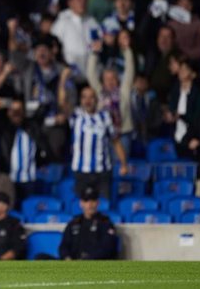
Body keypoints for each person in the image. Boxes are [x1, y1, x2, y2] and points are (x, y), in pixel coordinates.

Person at [59, 70, 128, 199]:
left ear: (96, 100)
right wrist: (63, 80)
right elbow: (62, 102)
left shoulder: (105, 117)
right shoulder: (76, 116)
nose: (88, 100)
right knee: (83, 208)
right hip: (81, 171)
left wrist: (123, 164)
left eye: (91, 97)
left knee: (103, 206)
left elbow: (116, 141)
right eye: (84, 97)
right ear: (80, 100)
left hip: (102, 171)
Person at [59, 186, 118, 260]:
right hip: (73, 264)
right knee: (42, 257)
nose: (90, 204)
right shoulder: (74, 223)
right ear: (81, 203)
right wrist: (67, 258)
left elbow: (108, 248)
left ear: (97, 203)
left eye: (93, 200)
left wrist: (86, 259)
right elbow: (64, 246)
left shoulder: (105, 223)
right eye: (86, 200)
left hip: (94, 264)